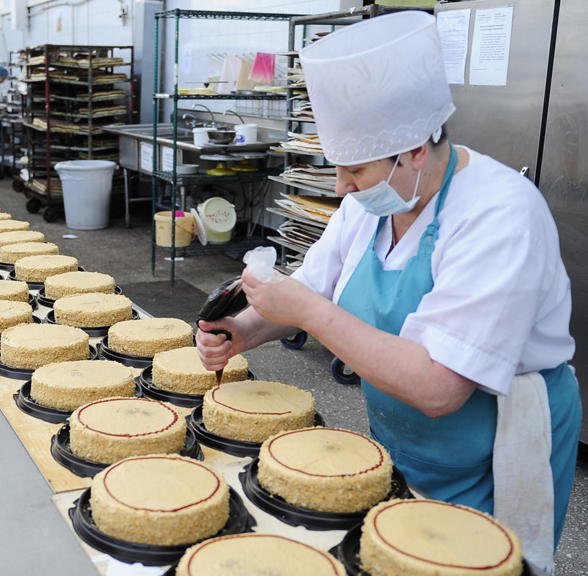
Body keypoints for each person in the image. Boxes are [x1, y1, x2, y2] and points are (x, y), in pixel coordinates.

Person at [196, 12, 579, 573]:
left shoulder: (500, 214)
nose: (341, 188)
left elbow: (439, 387)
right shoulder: (375, 204)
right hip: (405, 439)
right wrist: (244, 331)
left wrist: (310, 312)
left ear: (415, 150)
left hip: (498, 442)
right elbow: (309, 289)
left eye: (355, 169)